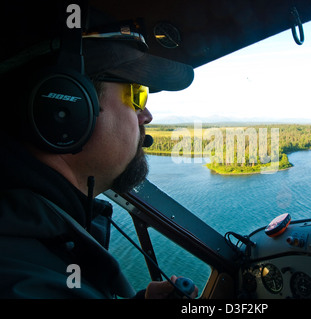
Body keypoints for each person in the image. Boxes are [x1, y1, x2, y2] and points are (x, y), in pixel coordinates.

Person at [0, 5, 197, 298]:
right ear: (66, 107)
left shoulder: (33, 244)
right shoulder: (23, 274)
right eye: (136, 94)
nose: (147, 115)